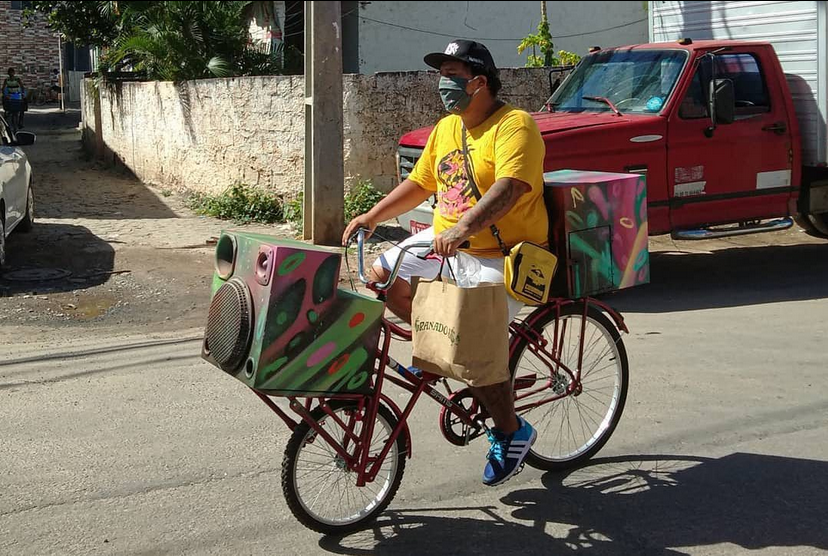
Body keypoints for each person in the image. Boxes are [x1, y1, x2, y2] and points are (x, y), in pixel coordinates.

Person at [343, 40, 549, 487]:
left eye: (453, 76)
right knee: (382, 276)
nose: (443, 84)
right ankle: (437, 348)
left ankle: (511, 430)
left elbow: (510, 188)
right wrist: (372, 216)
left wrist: (463, 229)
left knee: (468, 345)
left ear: (479, 83)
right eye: (442, 75)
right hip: (449, 243)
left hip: (503, 254)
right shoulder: (447, 129)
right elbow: (421, 184)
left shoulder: (516, 125)